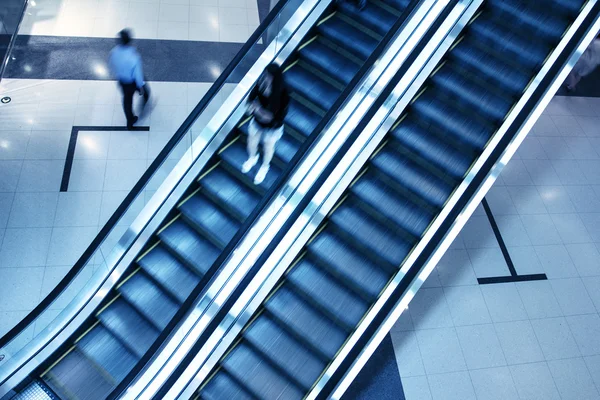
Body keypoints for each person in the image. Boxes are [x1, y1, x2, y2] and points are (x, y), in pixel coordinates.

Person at [242, 63, 290, 185]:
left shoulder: (282, 93)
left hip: (273, 126)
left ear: (275, 78)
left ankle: (264, 167)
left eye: (268, 76)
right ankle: (252, 158)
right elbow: (250, 99)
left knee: (268, 146)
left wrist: (257, 109)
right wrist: (252, 108)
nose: (266, 77)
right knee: (252, 140)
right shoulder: (261, 83)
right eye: (266, 74)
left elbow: (271, 117)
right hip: (258, 120)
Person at [109, 29, 150, 130]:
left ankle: (130, 121)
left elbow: (111, 65)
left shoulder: (113, 52)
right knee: (146, 93)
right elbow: (138, 74)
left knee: (127, 101)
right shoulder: (133, 56)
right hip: (133, 82)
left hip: (122, 81)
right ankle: (142, 108)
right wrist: (140, 86)